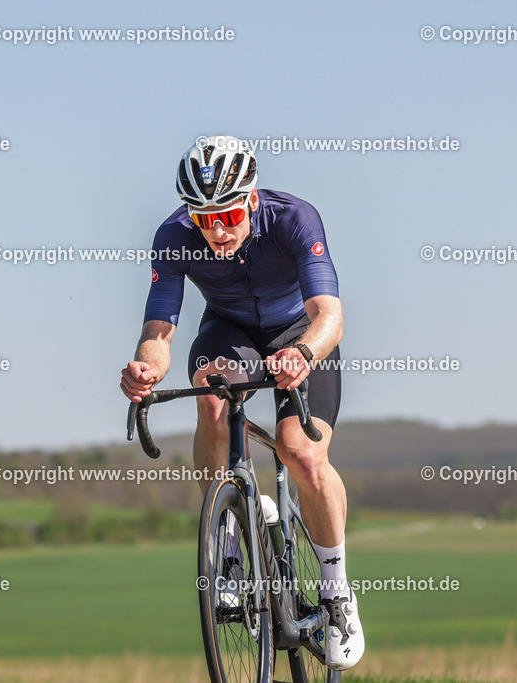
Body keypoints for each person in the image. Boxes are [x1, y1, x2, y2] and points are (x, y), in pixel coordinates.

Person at [119, 135, 364, 670]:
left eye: (228, 216)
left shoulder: (294, 219)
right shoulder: (174, 235)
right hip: (230, 332)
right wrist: (145, 368)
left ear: (251, 199)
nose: (217, 231)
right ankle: (229, 549)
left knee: (301, 454)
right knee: (212, 396)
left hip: (300, 333)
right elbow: (159, 329)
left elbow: (329, 315)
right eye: (204, 219)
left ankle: (336, 593)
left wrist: (304, 353)